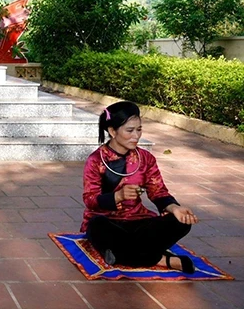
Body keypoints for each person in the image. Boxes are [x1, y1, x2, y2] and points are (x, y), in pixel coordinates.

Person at [82, 100, 198, 273]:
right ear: (113, 131)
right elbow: (90, 199)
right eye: (129, 130)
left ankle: (124, 253)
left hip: (138, 221)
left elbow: (158, 191)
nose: (136, 136)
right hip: (108, 222)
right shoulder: (96, 160)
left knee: (180, 222)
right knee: (97, 226)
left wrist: (174, 208)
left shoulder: (146, 158)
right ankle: (162, 259)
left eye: (139, 129)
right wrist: (118, 196)